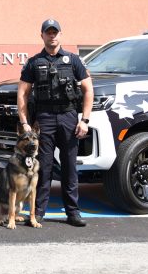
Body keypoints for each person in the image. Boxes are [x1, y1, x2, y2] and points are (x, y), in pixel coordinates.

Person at [16, 18, 93, 227]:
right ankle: (38, 212)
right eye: (48, 32)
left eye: (55, 32)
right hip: (45, 119)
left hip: (68, 117)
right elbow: (22, 93)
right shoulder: (33, 62)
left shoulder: (73, 60)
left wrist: (84, 120)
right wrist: (24, 123)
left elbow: (88, 90)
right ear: (42, 35)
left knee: (69, 167)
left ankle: (73, 212)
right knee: (45, 168)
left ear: (60, 35)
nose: (52, 35)